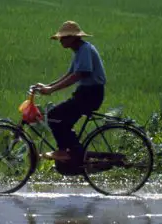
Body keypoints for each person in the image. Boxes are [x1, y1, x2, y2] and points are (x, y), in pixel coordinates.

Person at [31, 21, 106, 164]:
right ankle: (74, 152)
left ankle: (66, 151)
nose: (61, 41)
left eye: (64, 38)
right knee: (62, 120)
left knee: (54, 115)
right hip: (85, 93)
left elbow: (79, 75)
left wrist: (51, 89)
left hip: (90, 94)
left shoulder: (85, 50)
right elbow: (69, 74)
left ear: (73, 38)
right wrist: (48, 86)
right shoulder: (79, 51)